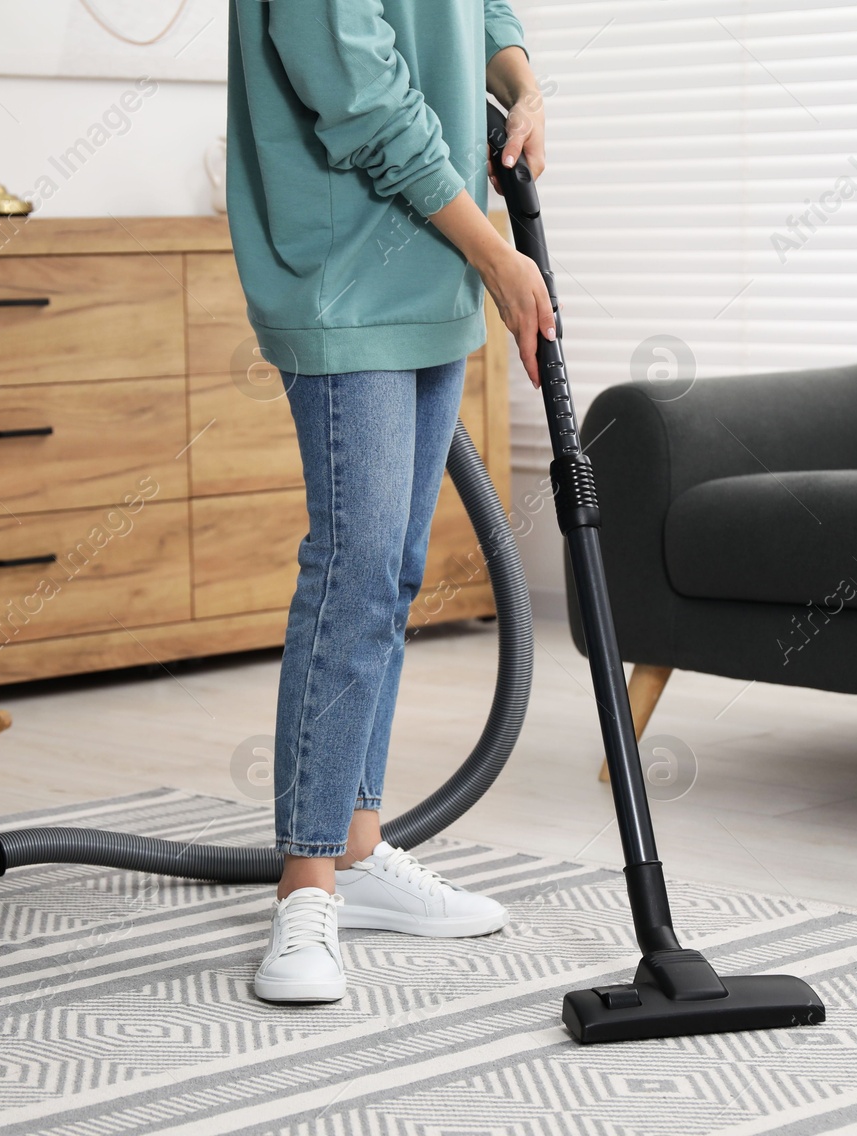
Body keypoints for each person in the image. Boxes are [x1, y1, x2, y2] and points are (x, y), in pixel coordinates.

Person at [226, 0, 553, 1002]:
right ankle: (305, 886)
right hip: (345, 271)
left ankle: (359, 850)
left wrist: (522, 81)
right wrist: (495, 251)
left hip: (435, 262)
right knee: (355, 567)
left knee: (395, 570)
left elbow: (484, 9)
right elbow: (361, 96)